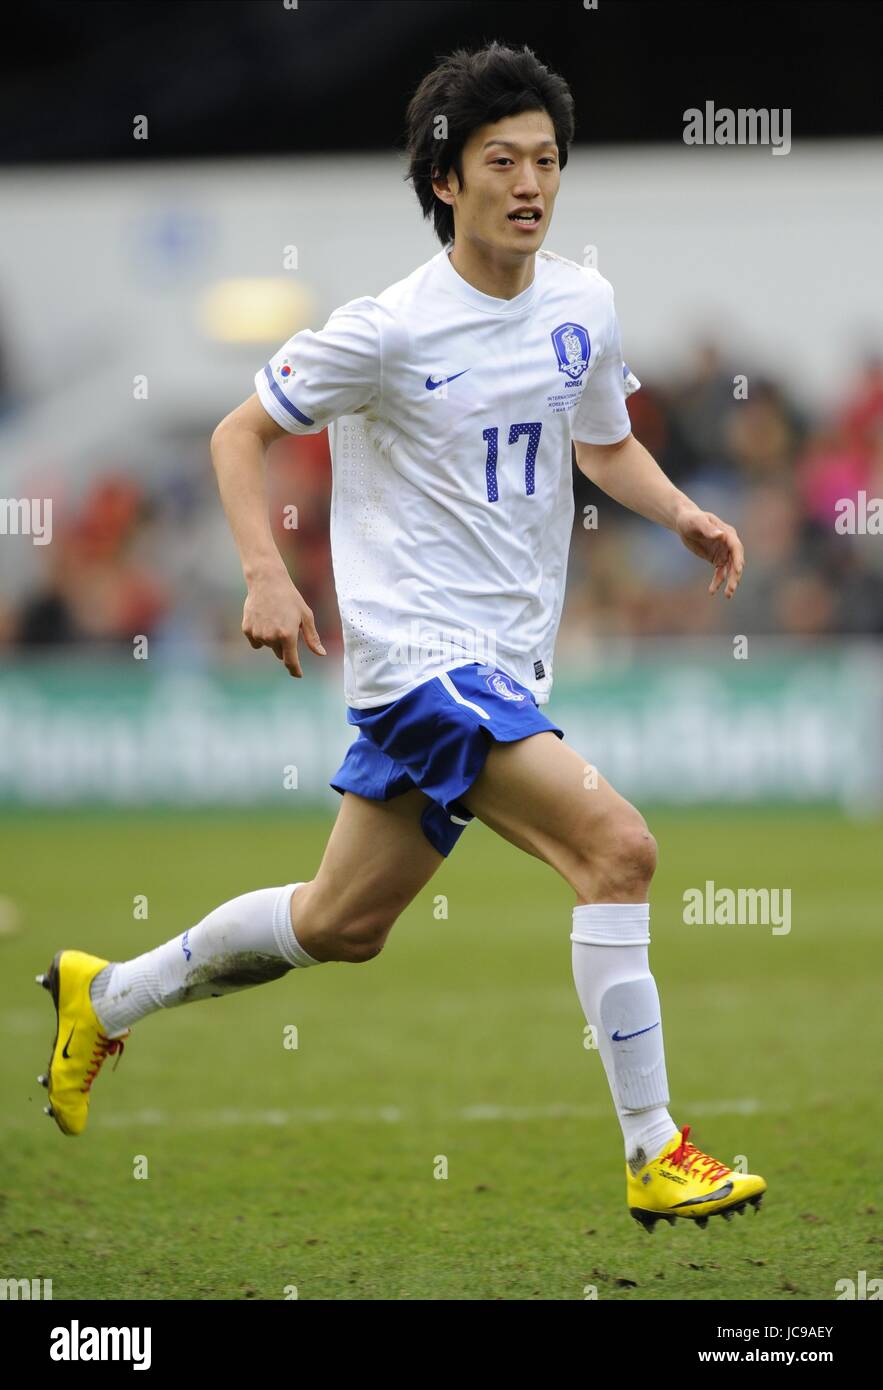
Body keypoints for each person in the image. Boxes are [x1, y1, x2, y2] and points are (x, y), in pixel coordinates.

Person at [38, 42, 764, 1231]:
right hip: (424, 665)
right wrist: (265, 574)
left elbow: (597, 441)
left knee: (341, 924)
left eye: (545, 160)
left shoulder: (582, 303)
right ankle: (654, 1151)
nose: (530, 183)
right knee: (617, 850)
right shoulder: (384, 330)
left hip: (502, 664)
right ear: (443, 179)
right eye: (501, 162)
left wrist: (681, 510)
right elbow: (235, 434)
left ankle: (106, 995)